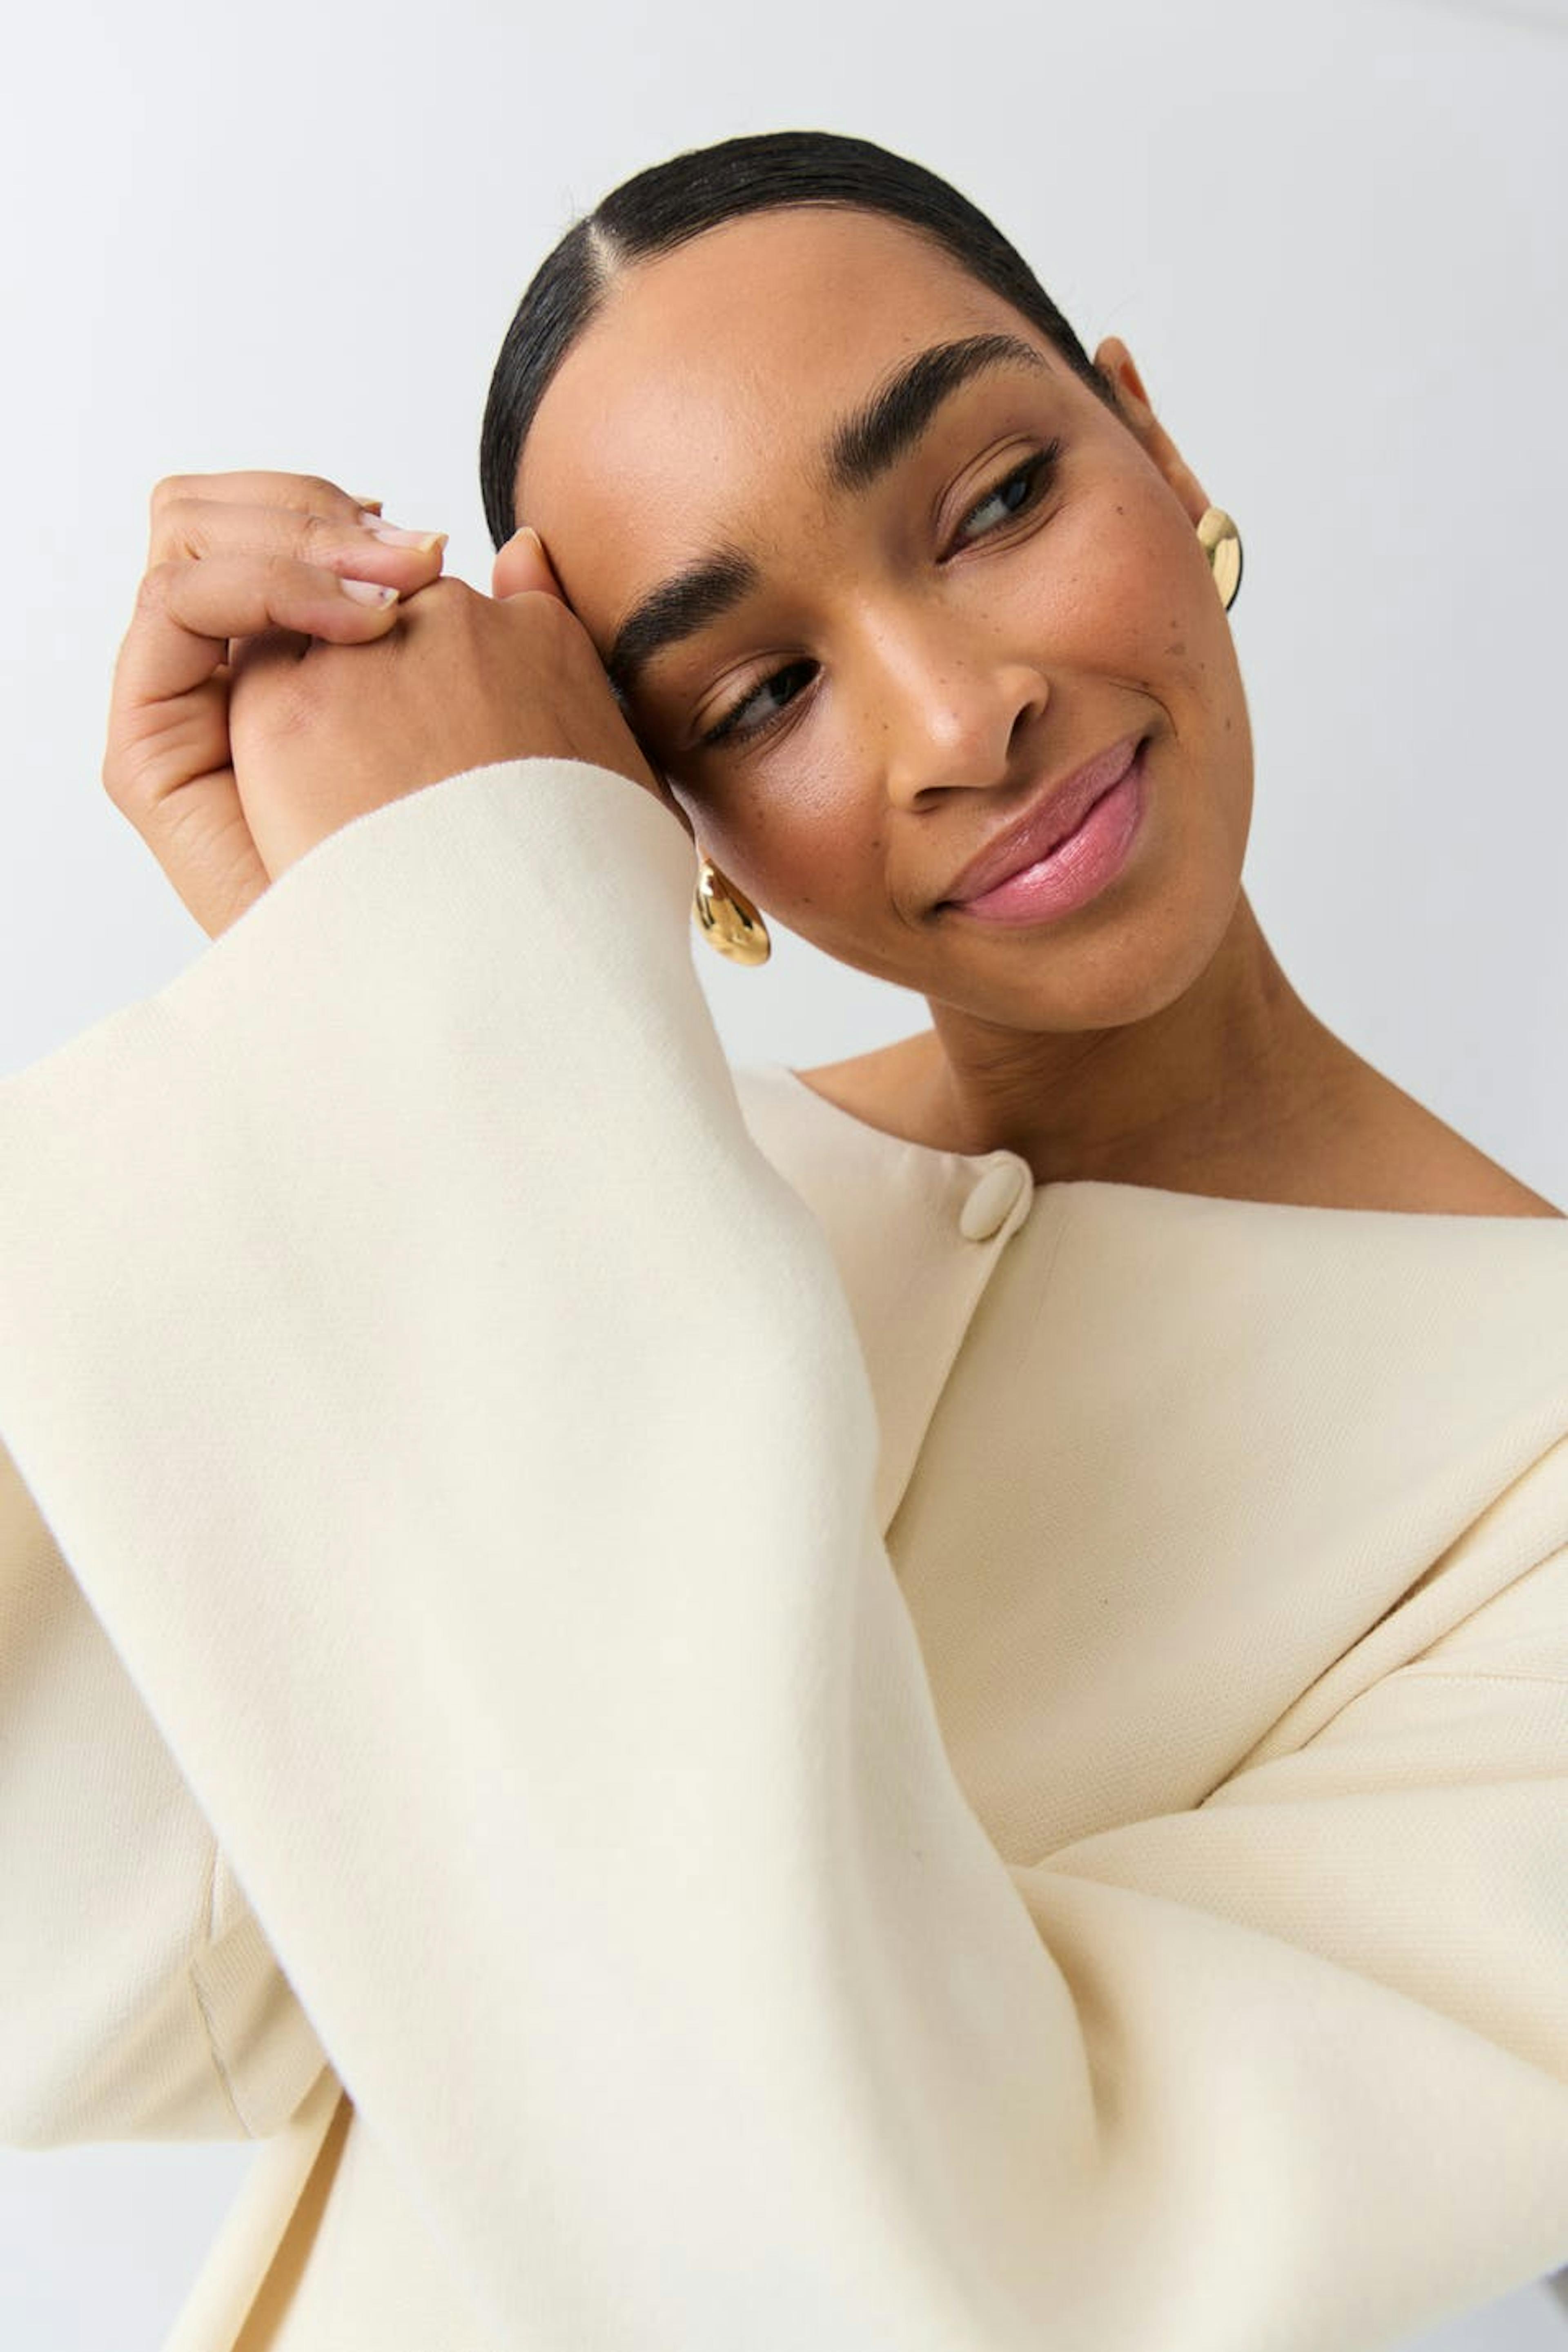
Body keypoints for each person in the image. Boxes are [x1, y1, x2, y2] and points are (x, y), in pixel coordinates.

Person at [0, 125, 1564, 2352]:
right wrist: (351, 1002)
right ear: (684, 830)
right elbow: (86, 1958)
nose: (960, 718)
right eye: (757, 696)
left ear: (1155, 442)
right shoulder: (581, 1196)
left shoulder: (1532, 1479)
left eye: (996, 501)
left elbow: (940, 2281)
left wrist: (470, 1033)